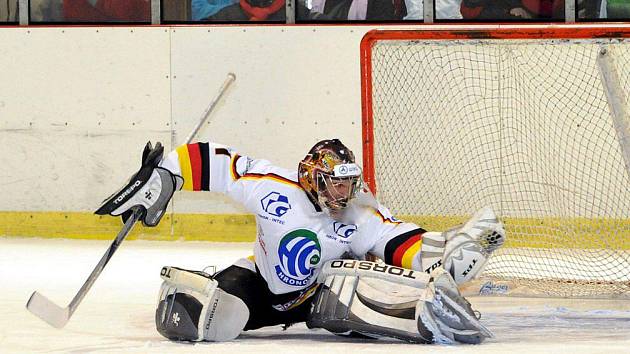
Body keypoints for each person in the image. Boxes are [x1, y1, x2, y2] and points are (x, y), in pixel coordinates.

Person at [96, 139, 506, 344]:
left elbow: (397, 240)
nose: (344, 191)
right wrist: (167, 171)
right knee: (198, 319)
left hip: (318, 294)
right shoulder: (274, 187)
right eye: (336, 181)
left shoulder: (360, 211)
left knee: (351, 284)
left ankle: (422, 308)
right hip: (258, 282)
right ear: (313, 177)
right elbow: (219, 164)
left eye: (349, 181)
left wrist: (440, 255)